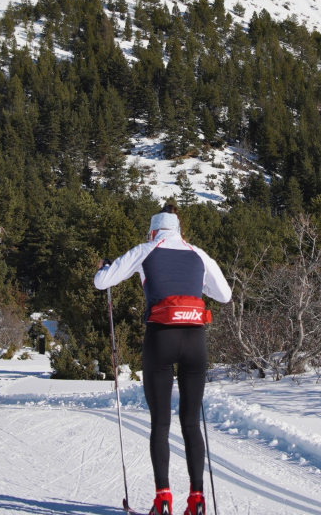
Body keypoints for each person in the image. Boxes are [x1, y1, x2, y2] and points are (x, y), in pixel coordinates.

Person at [94, 203, 232, 515]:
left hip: (160, 336)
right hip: (195, 340)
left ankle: (163, 500)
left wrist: (104, 267)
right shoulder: (198, 253)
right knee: (191, 423)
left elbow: (102, 282)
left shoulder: (146, 249)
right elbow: (224, 295)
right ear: (179, 230)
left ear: (154, 229)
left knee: (160, 422)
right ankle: (197, 500)